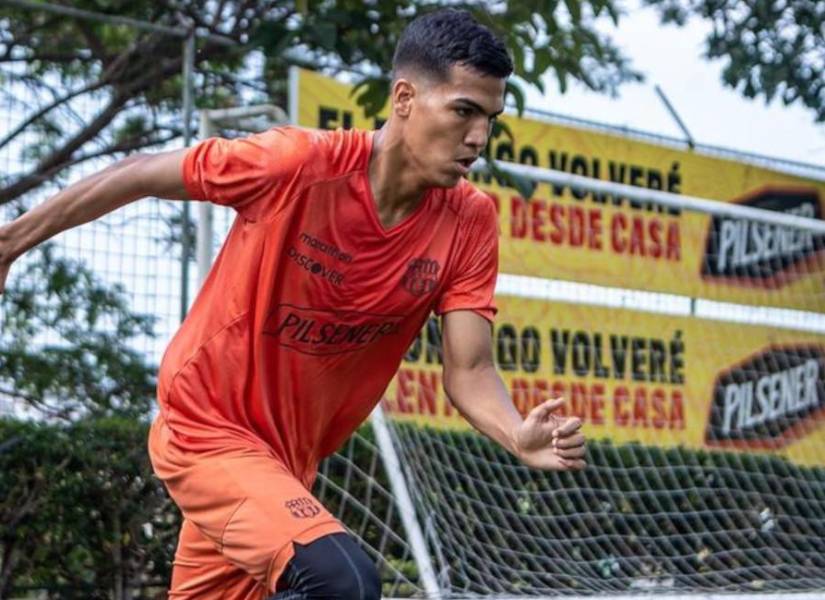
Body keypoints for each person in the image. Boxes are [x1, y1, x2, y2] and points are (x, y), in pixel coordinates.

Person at [0, 8, 586, 600]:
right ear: (405, 98)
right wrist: (11, 241)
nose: (479, 138)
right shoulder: (297, 164)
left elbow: (471, 368)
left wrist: (516, 434)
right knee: (343, 582)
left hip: (284, 466)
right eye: (463, 111)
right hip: (205, 430)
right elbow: (142, 172)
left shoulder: (470, 221)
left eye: (489, 118)